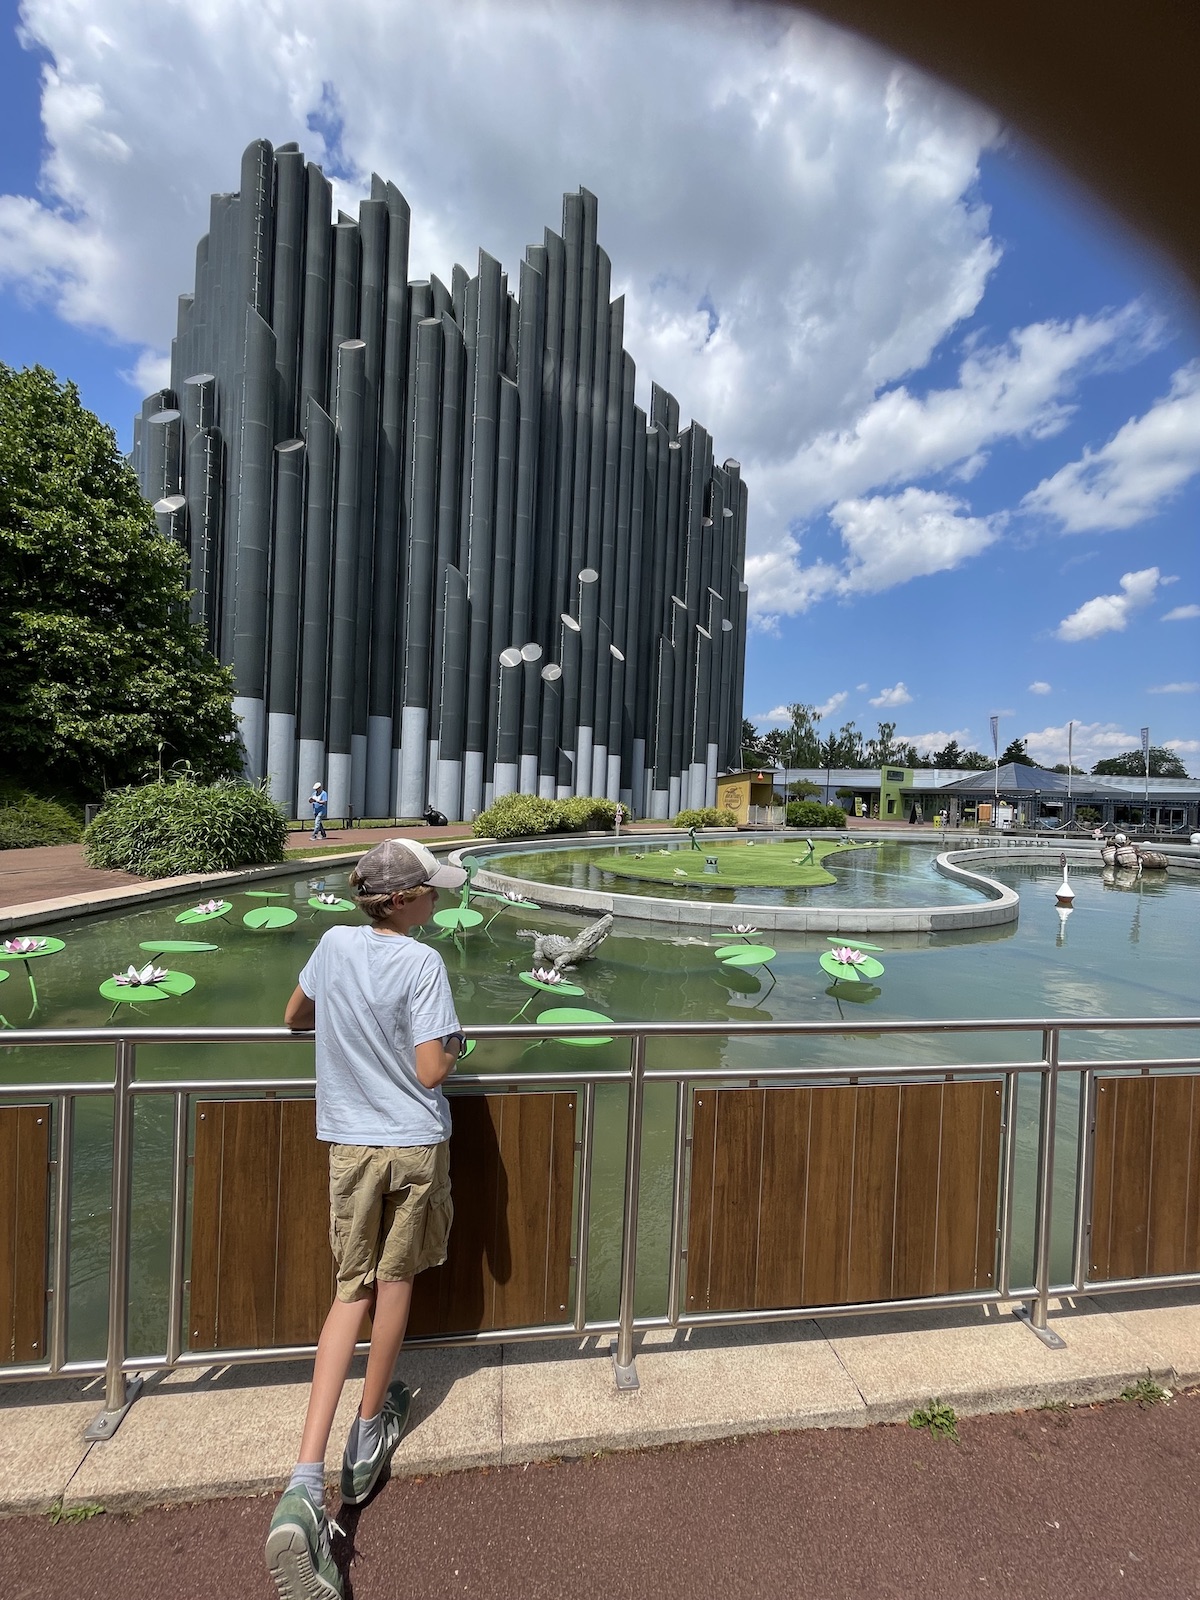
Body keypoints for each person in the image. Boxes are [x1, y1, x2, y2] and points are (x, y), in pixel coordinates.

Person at [265, 837, 468, 1600]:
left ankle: (302, 1479)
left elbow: (293, 1018)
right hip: (413, 1145)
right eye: (433, 893)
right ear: (406, 900)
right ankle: (368, 1431)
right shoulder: (422, 964)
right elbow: (430, 1069)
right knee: (397, 1280)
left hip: (348, 1142)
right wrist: (452, 1041)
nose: (440, 902)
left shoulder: (333, 942)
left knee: (348, 1290)